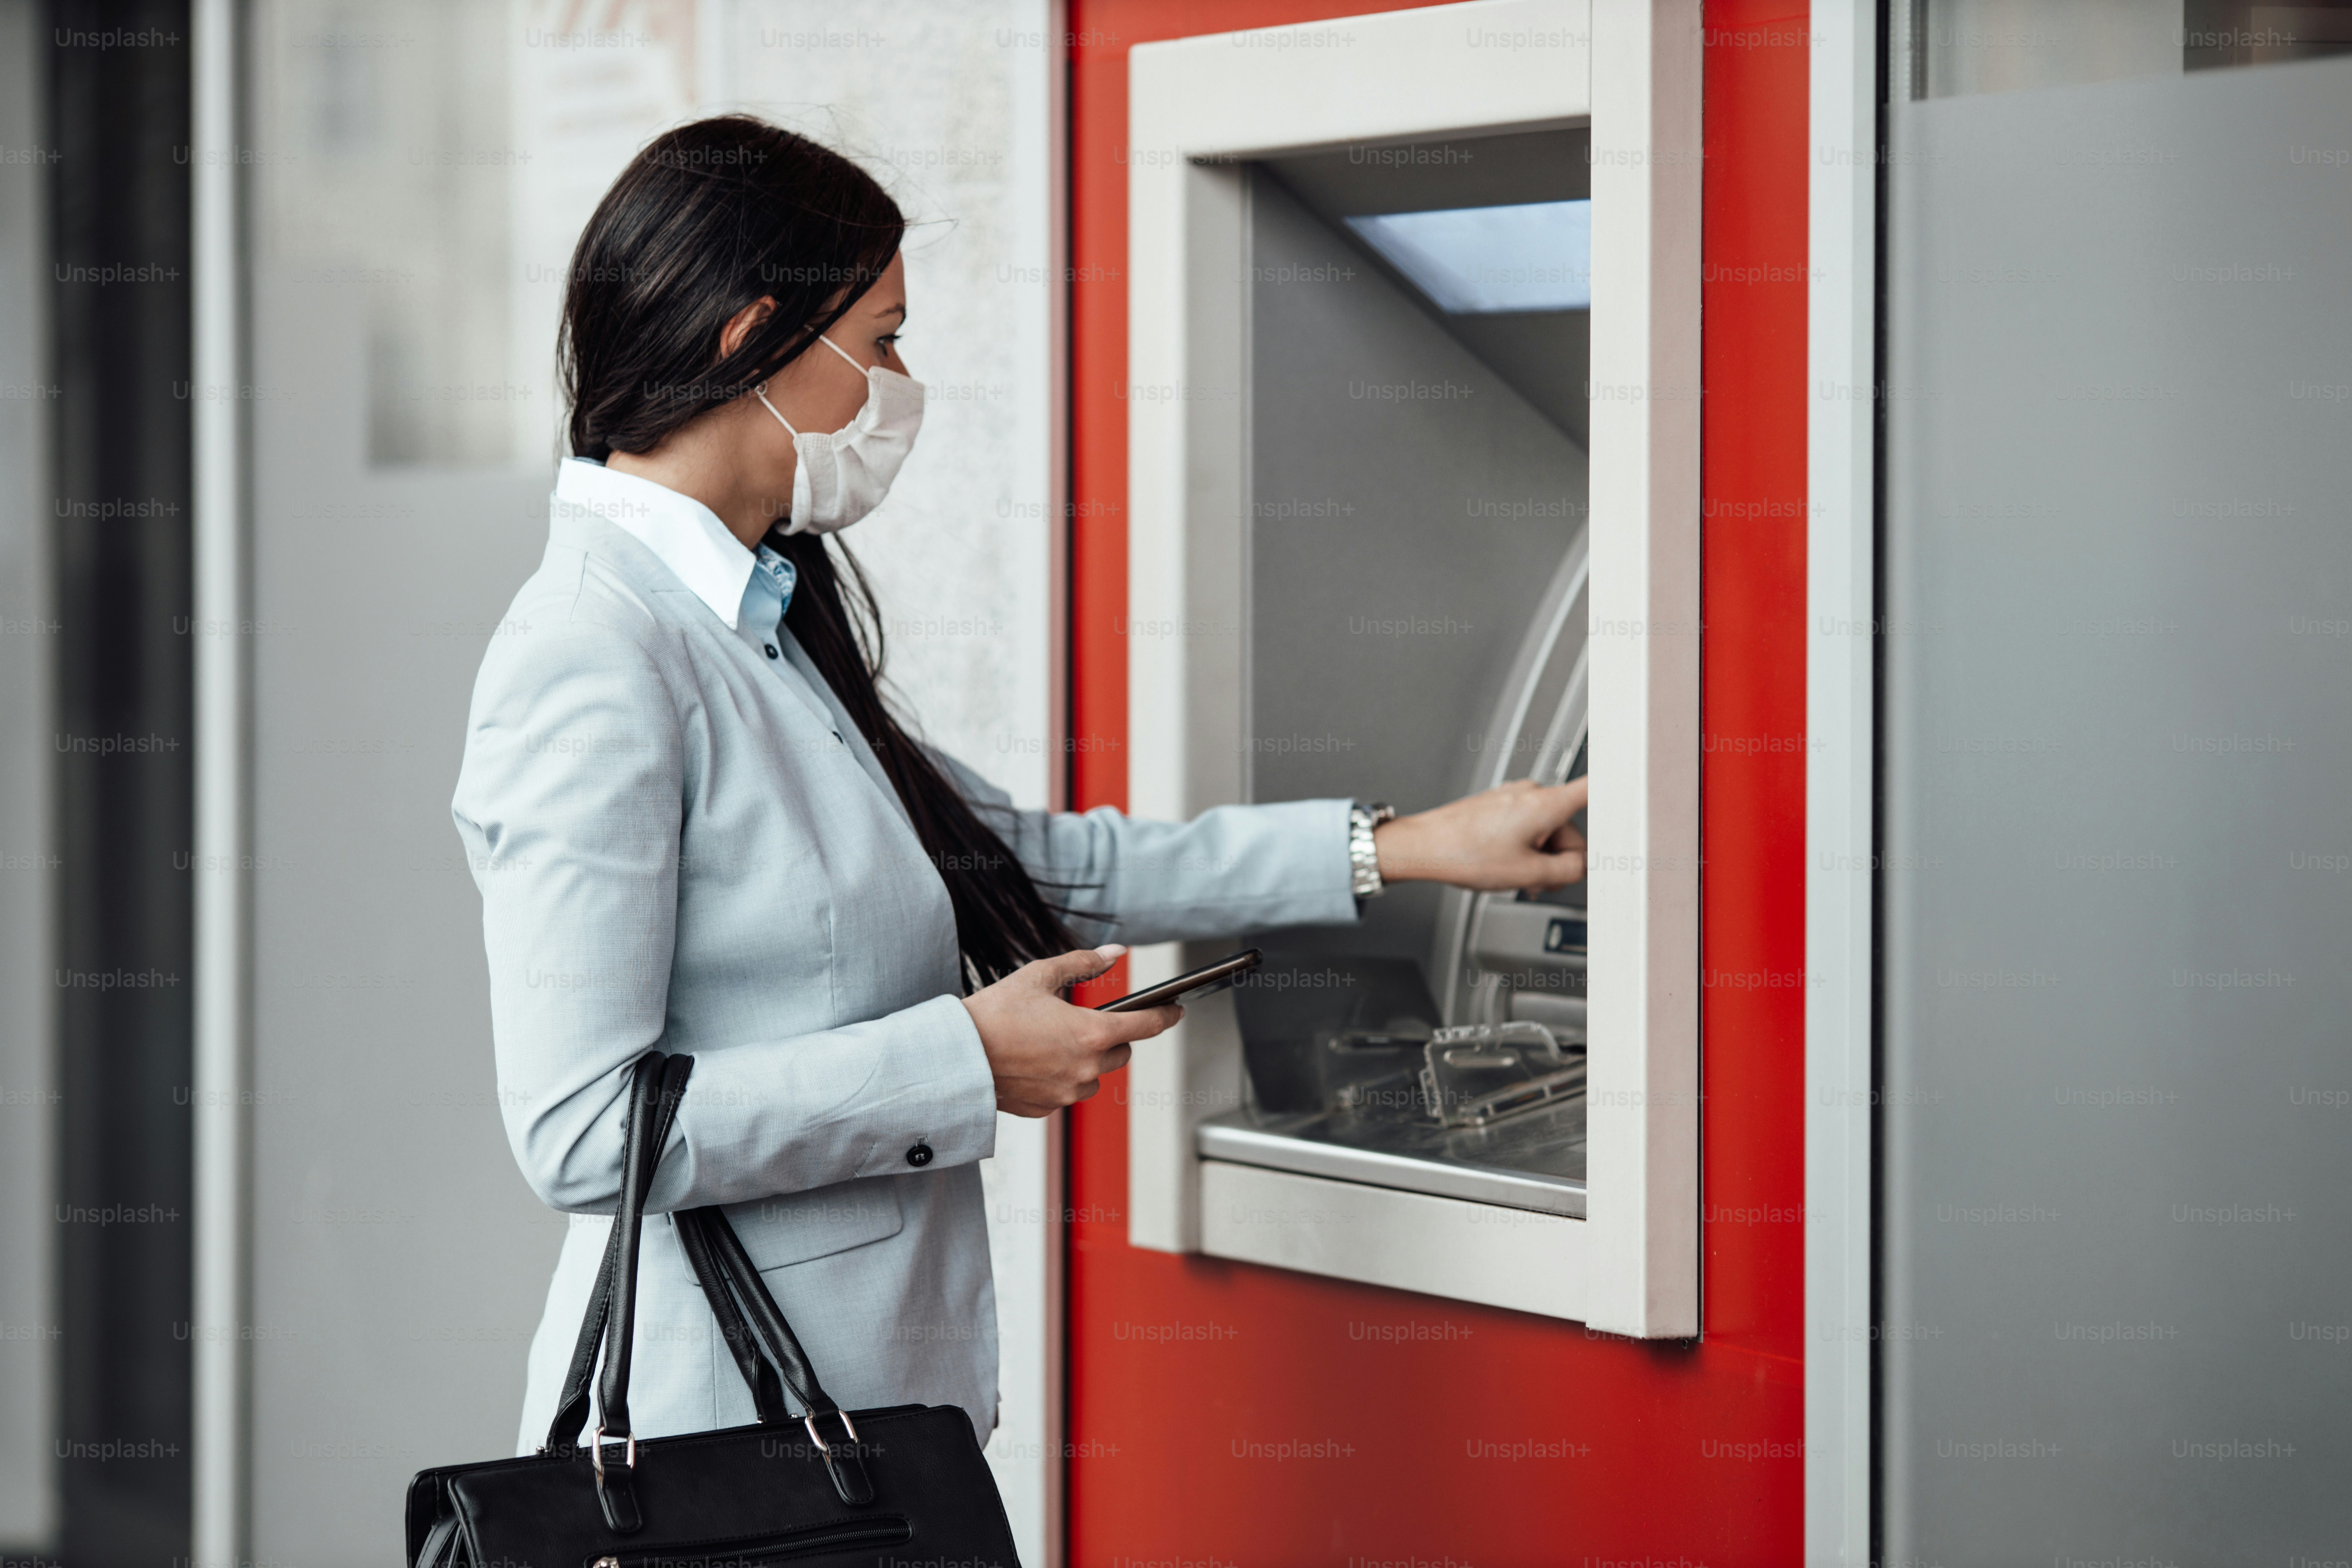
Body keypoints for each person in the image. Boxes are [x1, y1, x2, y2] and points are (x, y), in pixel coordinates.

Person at [450, 114, 1588, 1455]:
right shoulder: (594, 653)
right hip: (716, 1451)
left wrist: (1411, 847)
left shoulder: (757, 619)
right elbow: (583, 1131)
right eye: (880, 341)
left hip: (855, 1433)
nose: (898, 381)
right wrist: (964, 1060)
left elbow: (1038, 861)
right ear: (750, 336)